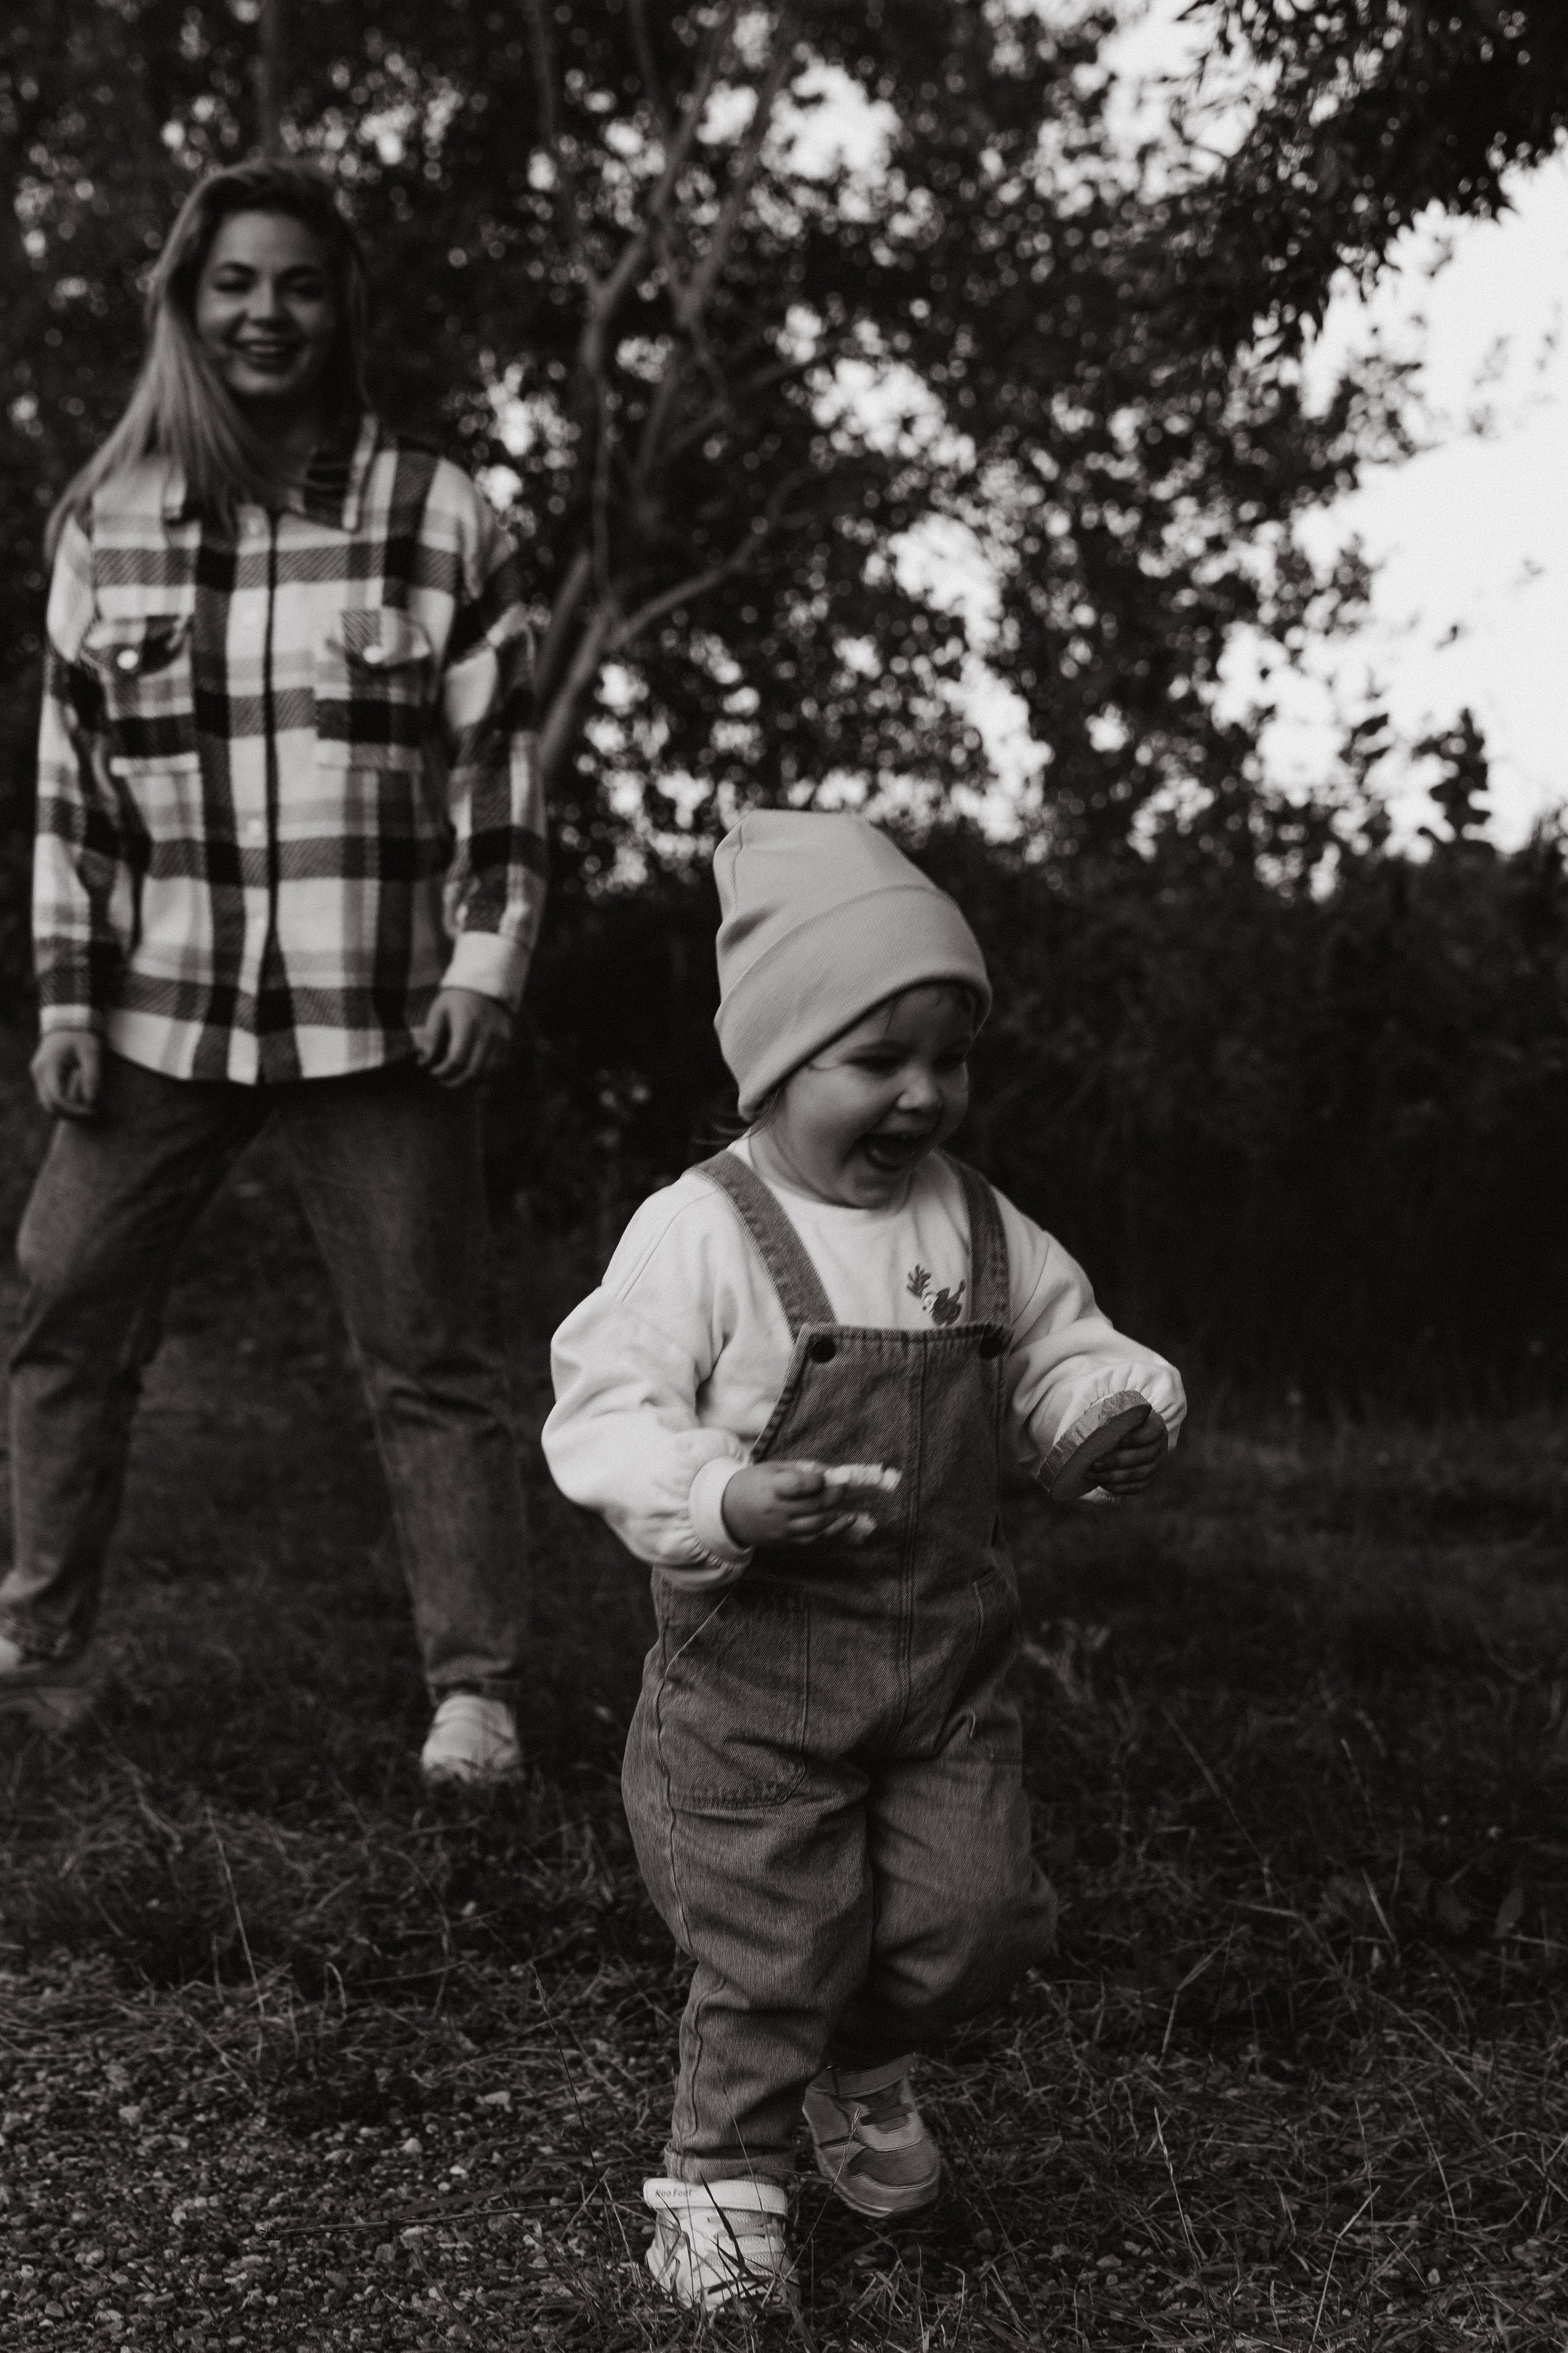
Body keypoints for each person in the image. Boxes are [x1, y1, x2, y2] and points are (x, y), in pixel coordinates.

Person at [543, 811, 1186, 2311]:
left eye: (945, 1058)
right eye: (873, 1058)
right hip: (754, 1674)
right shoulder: (702, 1231)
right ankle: (719, 2183)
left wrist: (1105, 1407)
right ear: (773, 1063)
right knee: (778, 1935)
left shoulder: (973, 1222)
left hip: (941, 1664)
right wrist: (718, 1500)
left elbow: (1057, 1346)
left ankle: (859, 2064)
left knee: (978, 1921)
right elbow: (606, 1404)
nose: (919, 1095)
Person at [0, 161, 546, 1786]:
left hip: (378, 1012)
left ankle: (473, 1690)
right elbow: (73, 797)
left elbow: (499, 779)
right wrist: (70, 1003)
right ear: (186, 303)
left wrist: (487, 961)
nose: (267, 313)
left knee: (426, 1356)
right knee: (61, 1311)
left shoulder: (437, 515)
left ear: (342, 307)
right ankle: (38, 1646)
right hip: (162, 1008)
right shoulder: (107, 529)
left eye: (300, 284)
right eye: (235, 283)